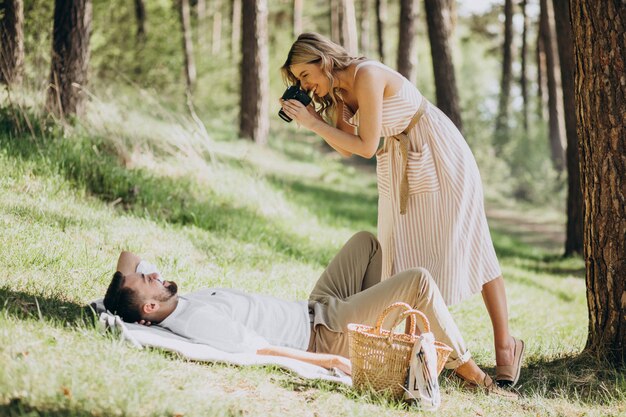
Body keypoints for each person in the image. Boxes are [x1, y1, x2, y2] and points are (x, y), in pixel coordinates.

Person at [278, 33, 524, 387]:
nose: (305, 84)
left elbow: (365, 146)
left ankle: (506, 347)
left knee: (472, 240)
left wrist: (314, 123)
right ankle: (418, 351)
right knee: (403, 252)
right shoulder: (339, 93)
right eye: (299, 81)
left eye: (305, 75)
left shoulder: (367, 75)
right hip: (398, 162)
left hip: (436, 151)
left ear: (324, 60)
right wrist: (316, 118)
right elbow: (348, 149)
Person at [104, 232, 516, 395]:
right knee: (420, 281)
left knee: (367, 245)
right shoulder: (195, 322)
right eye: (147, 281)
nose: (151, 272)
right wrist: (331, 360)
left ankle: (396, 338)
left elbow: (128, 256)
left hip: (317, 307)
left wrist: (133, 280)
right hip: (325, 332)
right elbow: (261, 351)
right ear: (150, 308)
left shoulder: (168, 303)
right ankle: (476, 376)